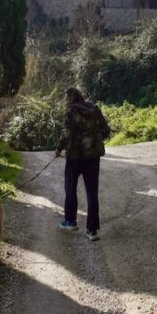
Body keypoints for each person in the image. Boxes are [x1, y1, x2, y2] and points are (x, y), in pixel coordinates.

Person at [55, 86, 111, 240]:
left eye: (66, 98)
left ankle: (71, 221)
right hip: (93, 157)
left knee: (70, 188)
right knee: (92, 193)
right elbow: (106, 130)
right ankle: (92, 231)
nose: (65, 101)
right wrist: (93, 140)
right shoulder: (95, 109)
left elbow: (66, 133)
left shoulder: (71, 111)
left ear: (70, 98)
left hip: (75, 156)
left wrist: (59, 149)